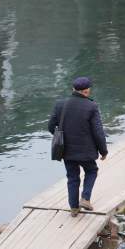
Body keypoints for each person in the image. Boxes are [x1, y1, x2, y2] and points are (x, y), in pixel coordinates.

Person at [48, 77, 108, 217]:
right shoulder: (91, 106)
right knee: (92, 171)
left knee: (72, 177)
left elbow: (51, 127)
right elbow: (98, 132)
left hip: (66, 150)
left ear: (73, 89)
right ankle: (85, 198)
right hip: (86, 151)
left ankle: (74, 208)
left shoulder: (60, 104)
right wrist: (103, 151)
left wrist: (63, 136)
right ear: (87, 91)